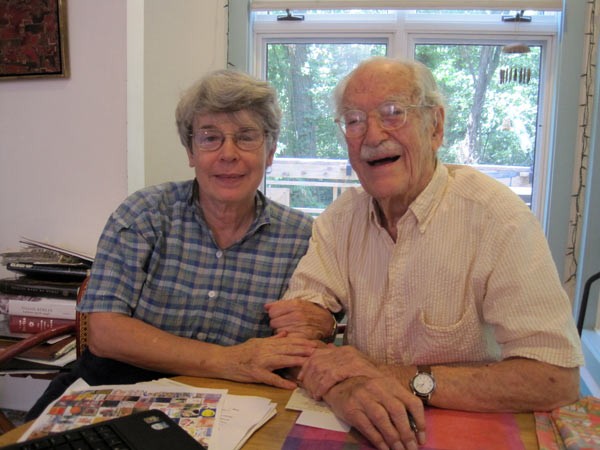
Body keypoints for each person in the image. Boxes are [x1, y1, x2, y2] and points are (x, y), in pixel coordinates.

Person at [273, 57, 584, 450]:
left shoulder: (496, 218)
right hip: (365, 428)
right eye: (353, 120)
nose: (371, 135)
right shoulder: (340, 219)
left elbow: (554, 378)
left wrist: (388, 375)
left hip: (469, 432)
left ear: (435, 126)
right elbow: (295, 333)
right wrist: (341, 382)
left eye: (393, 113)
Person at [27, 69, 334, 419]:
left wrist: (322, 322)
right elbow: (104, 332)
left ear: (270, 151)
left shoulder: (302, 237)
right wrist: (229, 359)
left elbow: (305, 337)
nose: (228, 154)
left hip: (234, 404)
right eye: (209, 138)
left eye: (247, 137)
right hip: (112, 388)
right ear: (190, 151)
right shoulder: (145, 213)